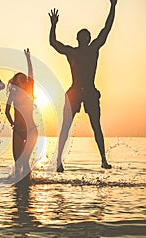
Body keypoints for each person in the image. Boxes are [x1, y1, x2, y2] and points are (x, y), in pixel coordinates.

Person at [48, 0, 117, 172]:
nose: (85, 39)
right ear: (78, 39)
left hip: (90, 92)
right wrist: (53, 25)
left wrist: (113, 7)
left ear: (89, 39)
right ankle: (58, 161)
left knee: (96, 125)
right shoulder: (72, 52)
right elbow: (53, 43)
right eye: (83, 37)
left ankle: (103, 159)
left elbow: (106, 29)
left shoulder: (94, 49)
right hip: (74, 92)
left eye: (87, 37)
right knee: (66, 126)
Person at [5, 49, 38, 181]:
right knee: (17, 161)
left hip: (31, 130)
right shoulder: (13, 94)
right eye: (19, 78)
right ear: (15, 82)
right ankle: (19, 185)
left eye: (23, 78)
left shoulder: (29, 91)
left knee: (25, 160)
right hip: (18, 130)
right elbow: (7, 111)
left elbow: (31, 75)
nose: (22, 79)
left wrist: (28, 59)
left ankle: (27, 184)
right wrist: (12, 124)